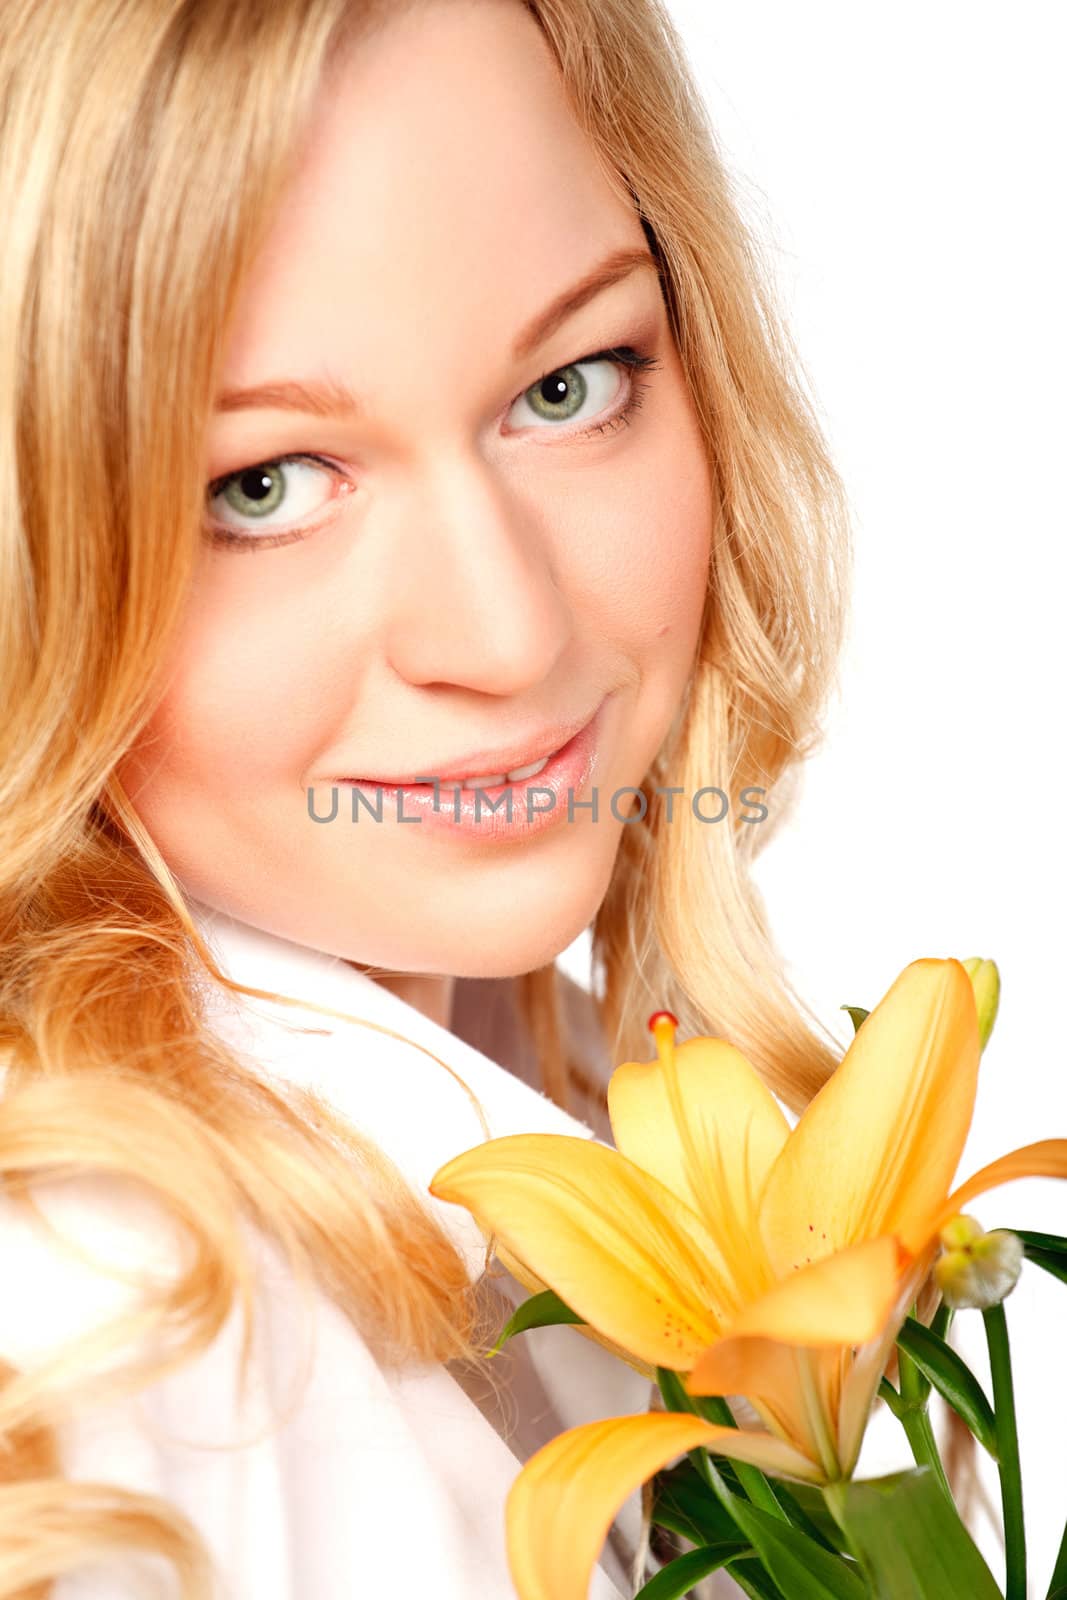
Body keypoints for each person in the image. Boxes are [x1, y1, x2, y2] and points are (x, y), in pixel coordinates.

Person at [0, 0, 948, 1594]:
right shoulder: (111, 1334)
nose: (508, 634)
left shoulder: (580, 1092)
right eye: (265, 485)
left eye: (570, 386)